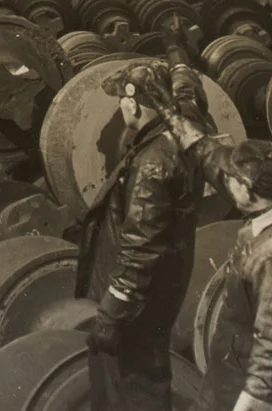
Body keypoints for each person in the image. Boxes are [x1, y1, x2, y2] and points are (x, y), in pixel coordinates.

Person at [79, 59, 205, 410]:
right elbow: (191, 94)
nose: (120, 106)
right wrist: (179, 57)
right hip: (166, 283)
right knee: (142, 372)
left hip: (140, 296)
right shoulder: (185, 130)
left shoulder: (153, 163)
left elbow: (141, 246)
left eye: (121, 99)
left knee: (132, 380)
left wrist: (112, 312)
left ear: (133, 103)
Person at [191, 140, 272, 411]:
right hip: (231, 364)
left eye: (232, 179)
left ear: (248, 189)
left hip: (243, 383)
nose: (226, 182)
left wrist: (252, 403)